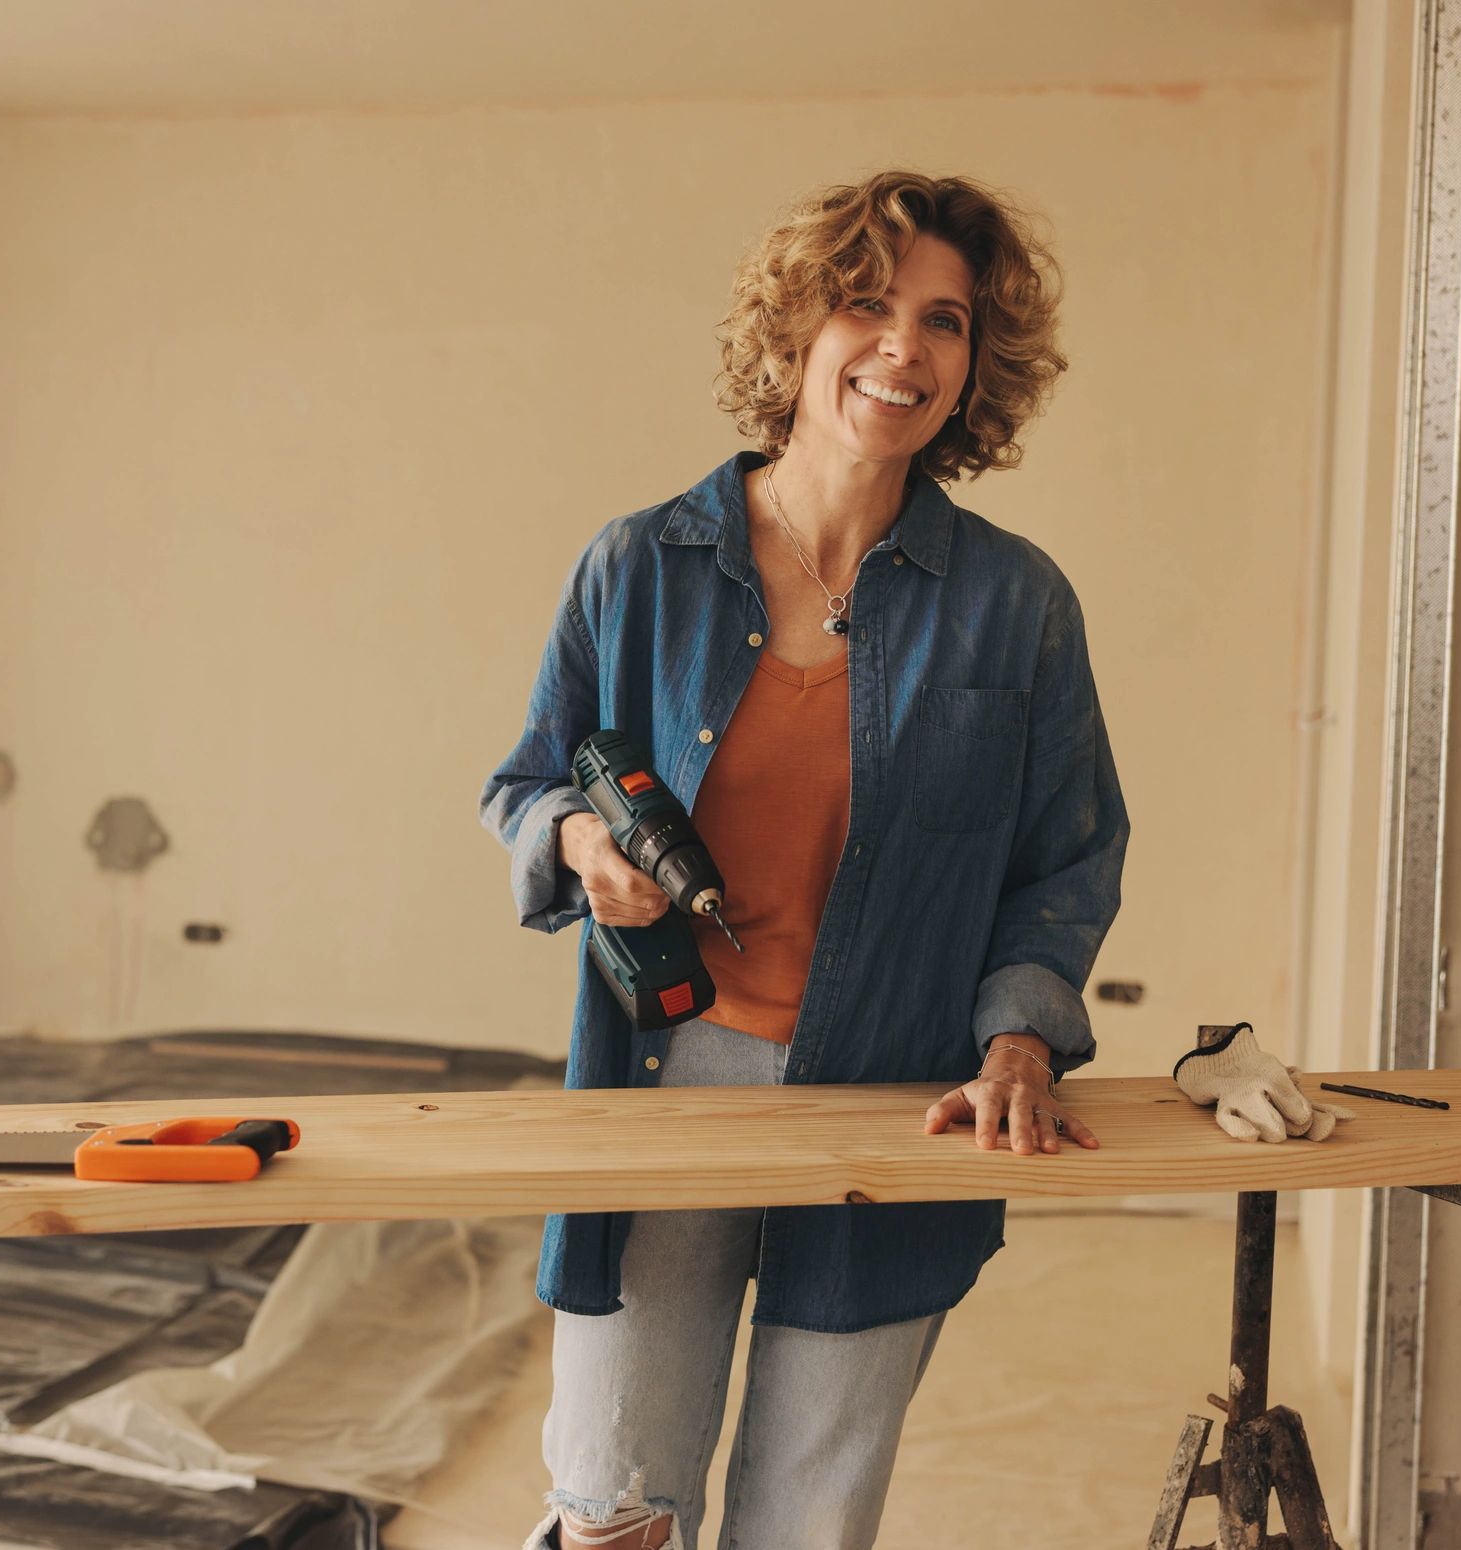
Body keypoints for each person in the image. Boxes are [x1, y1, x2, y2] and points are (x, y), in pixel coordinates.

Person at [478, 170, 1129, 1550]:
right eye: (867, 303)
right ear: (796, 330)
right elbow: (527, 783)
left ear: (975, 364)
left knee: (806, 1522)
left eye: (944, 321)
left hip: (897, 1093)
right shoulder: (640, 564)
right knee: (612, 1507)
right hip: (669, 1078)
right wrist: (584, 838)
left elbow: (1066, 863)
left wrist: (1020, 1040)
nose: (904, 346)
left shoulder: (1016, 607)